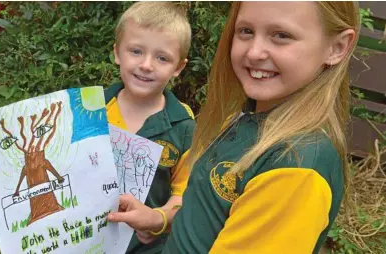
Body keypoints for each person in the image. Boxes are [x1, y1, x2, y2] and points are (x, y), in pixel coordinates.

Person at [108, 1, 360, 253]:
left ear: (337, 47)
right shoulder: (244, 118)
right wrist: (160, 220)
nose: (254, 52)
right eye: (246, 31)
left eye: (281, 35)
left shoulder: (297, 166)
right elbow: (207, 214)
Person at [103, 2, 196, 253]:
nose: (146, 65)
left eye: (162, 57)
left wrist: (160, 219)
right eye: (135, 51)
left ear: (178, 67)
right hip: (86, 241)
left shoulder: (184, 127)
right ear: (117, 53)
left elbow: (185, 197)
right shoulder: (91, 111)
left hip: (147, 248)